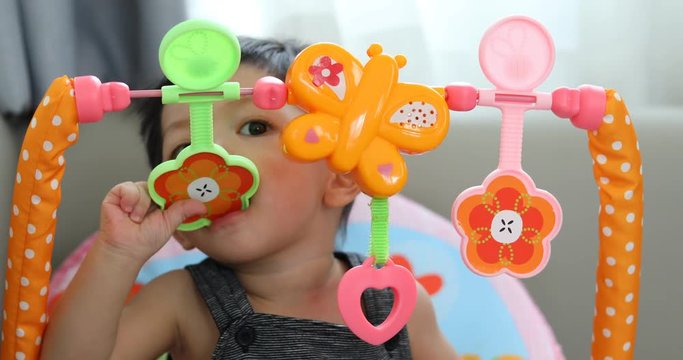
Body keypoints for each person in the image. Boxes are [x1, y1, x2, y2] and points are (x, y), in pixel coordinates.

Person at [41, 37, 457, 359]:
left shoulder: (396, 304)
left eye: (255, 127)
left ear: (341, 178)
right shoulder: (179, 301)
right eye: (184, 149)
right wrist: (118, 253)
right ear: (178, 220)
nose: (211, 158)